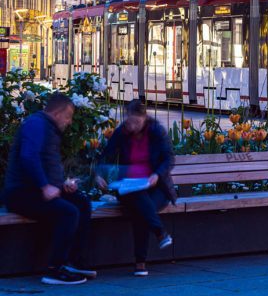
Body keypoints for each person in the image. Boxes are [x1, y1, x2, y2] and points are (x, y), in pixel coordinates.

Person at [3, 93, 96, 285]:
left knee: (81, 202)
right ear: (57, 112)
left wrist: (62, 185)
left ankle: (75, 262)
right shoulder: (36, 124)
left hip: (38, 190)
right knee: (68, 213)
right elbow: (28, 157)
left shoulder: (49, 129)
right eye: (68, 116)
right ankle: (55, 269)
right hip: (22, 193)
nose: (69, 122)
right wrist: (44, 186)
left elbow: (46, 164)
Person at [95, 100, 176, 277]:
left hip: (155, 186)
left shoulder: (156, 131)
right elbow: (105, 156)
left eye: (136, 122)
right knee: (138, 201)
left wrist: (157, 174)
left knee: (141, 207)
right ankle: (160, 233)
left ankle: (141, 262)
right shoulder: (122, 132)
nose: (132, 126)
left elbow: (169, 158)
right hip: (129, 186)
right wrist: (98, 174)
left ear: (145, 118)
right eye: (129, 122)